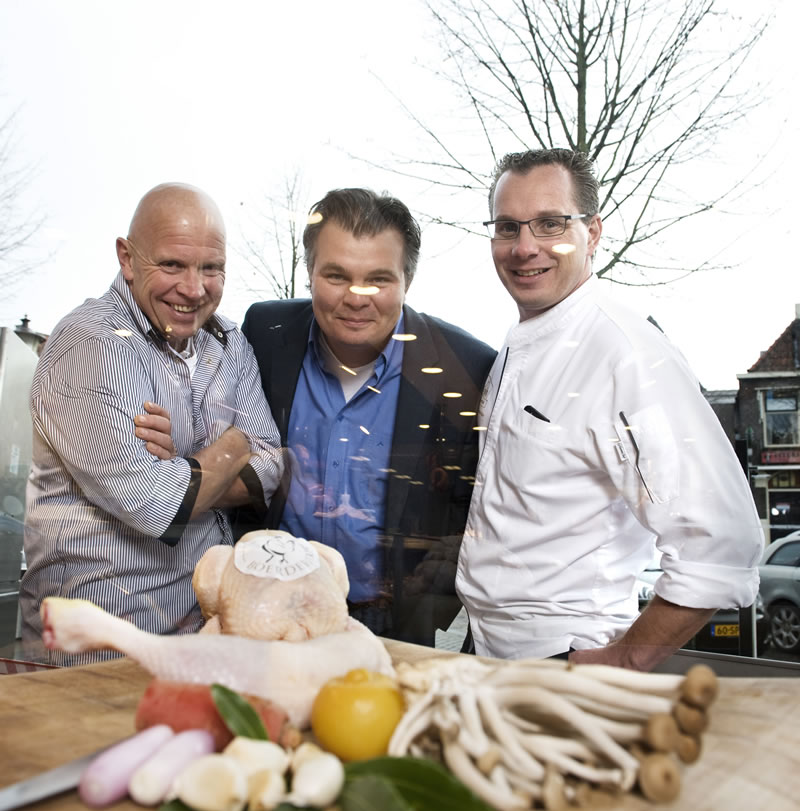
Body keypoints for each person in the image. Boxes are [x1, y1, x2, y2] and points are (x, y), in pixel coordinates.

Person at [455, 148, 763, 670]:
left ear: (592, 233)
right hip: (487, 650)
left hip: (563, 657)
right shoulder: (519, 341)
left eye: (550, 223)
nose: (525, 248)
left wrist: (622, 662)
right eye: (507, 227)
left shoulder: (627, 353)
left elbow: (721, 543)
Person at [21, 182, 283, 661]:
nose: (194, 289)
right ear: (127, 258)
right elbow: (160, 503)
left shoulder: (228, 341)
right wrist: (232, 445)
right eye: (172, 265)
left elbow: (270, 470)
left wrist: (182, 462)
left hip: (204, 638)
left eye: (211, 268)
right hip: (99, 649)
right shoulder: (91, 344)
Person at [238, 187, 496, 646]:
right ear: (310, 272)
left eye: (378, 279)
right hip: (269, 609)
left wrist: (426, 604)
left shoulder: (465, 366)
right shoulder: (266, 333)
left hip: (390, 623)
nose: (357, 298)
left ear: (407, 280)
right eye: (336, 275)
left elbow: (473, 508)